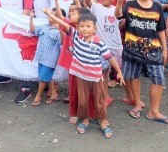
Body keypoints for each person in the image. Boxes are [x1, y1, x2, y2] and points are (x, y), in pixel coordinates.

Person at [43, 10, 124, 139]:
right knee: (83, 101)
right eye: (82, 26)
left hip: (96, 78)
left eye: (88, 26)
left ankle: (103, 121)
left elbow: (110, 58)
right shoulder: (75, 35)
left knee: (99, 101)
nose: (84, 29)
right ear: (78, 27)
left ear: (94, 28)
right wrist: (50, 15)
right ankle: (85, 120)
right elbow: (62, 23)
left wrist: (119, 71)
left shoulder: (99, 43)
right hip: (80, 76)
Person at [115, 0, 168, 125]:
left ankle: (154, 111)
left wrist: (165, 49)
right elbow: (118, 16)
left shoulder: (157, 7)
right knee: (134, 77)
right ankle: (137, 103)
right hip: (132, 49)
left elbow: (161, 29)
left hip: (153, 50)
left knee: (158, 79)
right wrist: (119, 2)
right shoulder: (129, 4)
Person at [0, 0, 34, 101]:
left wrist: (17, 23)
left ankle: (26, 88)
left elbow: (28, 8)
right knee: (8, 51)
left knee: (23, 55)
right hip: (6, 27)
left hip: (20, 27)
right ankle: (7, 75)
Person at [85, 0, 123, 106]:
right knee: (103, 72)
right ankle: (104, 96)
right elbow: (86, 0)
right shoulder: (96, 7)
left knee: (115, 70)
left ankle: (104, 94)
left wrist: (120, 2)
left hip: (115, 45)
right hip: (101, 46)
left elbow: (118, 16)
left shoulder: (116, 8)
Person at [29, 8, 61, 106]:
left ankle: (38, 96)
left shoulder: (59, 31)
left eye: (52, 14)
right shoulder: (44, 26)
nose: (49, 15)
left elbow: (60, 41)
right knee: (46, 76)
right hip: (41, 57)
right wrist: (31, 18)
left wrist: (57, 26)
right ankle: (54, 94)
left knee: (43, 78)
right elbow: (33, 30)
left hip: (50, 59)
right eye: (49, 14)